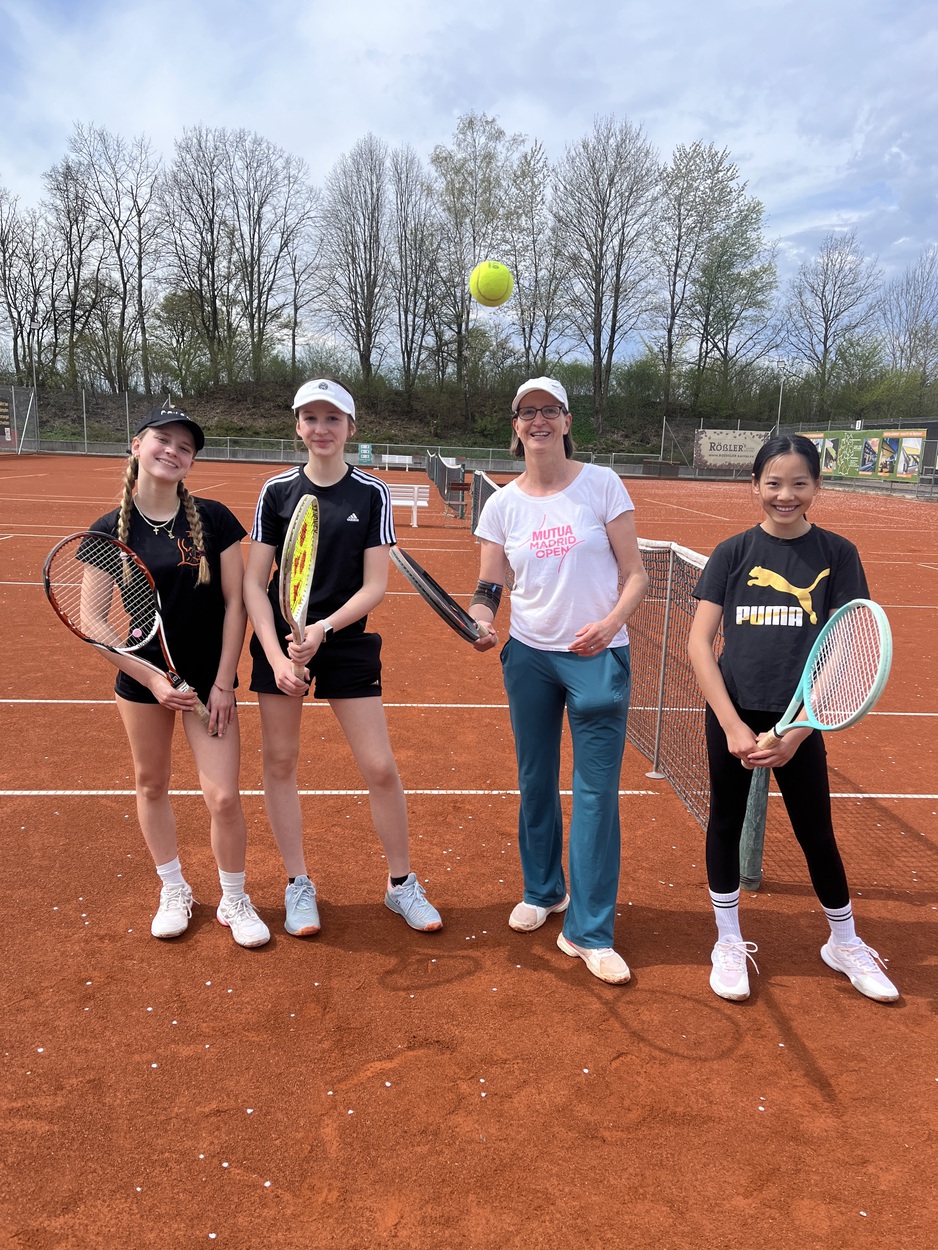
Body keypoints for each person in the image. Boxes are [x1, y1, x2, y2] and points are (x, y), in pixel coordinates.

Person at [687, 434, 899, 1003]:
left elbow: (848, 647)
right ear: (754, 485)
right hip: (733, 713)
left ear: (817, 487)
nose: (786, 495)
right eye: (774, 483)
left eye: (799, 483)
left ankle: (844, 942)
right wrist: (732, 725)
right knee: (725, 823)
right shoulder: (731, 554)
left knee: (815, 831)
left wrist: (799, 730)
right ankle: (728, 940)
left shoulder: (837, 554)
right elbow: (700, 644)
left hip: (802, 718)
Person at [243, 378, 442, 937]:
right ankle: (297, 883)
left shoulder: (371, 493)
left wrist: (324, 629)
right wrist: (277, 655)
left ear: (351, 428)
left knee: (379, 767)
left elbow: (375, 584)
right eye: (310, 418)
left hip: (346, 641)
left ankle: (401, 885)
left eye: (333, 419)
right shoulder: (275, 492)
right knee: (280, 763)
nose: (321, 429)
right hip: (281, 647)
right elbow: (256, 584)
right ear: (298, 425)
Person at [469, 377, 648, 984]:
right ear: (515, 427)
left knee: (596, 795)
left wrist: (611, 623)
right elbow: (490, 585)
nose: (538, 421)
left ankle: (591, 932)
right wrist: (481, 618)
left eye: (549, 411)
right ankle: (544, 891)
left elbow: (637, 575)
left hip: (599, 656)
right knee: (534, 779)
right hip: (529, 657)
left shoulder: (602, 485)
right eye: (527, 413)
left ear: (567, 422)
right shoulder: (501, 504)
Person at [87, 404, 269, 948]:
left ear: (192, 460)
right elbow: (95, 622)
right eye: (162, 440)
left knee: (224, 798)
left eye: (184, 446)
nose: (173, 450)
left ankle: (235, 897)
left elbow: (237, 604)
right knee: (152, 783)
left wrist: (223, 683)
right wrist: (150, 679)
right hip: (146, 682)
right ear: (137, 445)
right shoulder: (106, 531)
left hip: (209, 682)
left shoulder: (214, 519)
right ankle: (174, 888)